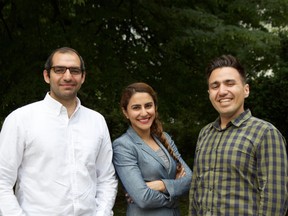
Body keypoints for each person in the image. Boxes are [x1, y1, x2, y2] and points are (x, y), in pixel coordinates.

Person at [0, 47, 118, 216]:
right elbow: (2, 181)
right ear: (47, 75)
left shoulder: (96, 121)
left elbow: (106, 178)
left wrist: (102, 213)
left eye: (75, 70)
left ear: (83, 77)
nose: (68, 76)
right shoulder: (20, 119)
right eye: (59, 70)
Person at [189, 54, 288, 215]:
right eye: (215, 86)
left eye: (230, 83)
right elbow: (195, 190)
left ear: (246, 89)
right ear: (209, 93)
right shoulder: (205, 133)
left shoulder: (265, 133)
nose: (222, 91)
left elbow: (274, 202)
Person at [112, 82, 192, 216]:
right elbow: (143, 198)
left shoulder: (164, 138)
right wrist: (174, 196)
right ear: (126, 112)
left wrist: (162, 185)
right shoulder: (123, 145)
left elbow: (190, 179)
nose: (144, 113)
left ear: (155, 107)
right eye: (136, 108)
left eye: (148, 106)